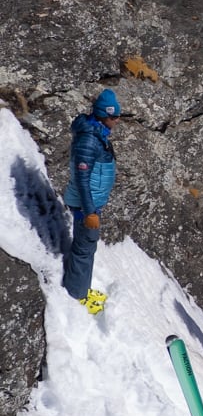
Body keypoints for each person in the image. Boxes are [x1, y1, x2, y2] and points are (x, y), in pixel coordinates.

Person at [62, 89, 120, 311]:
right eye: (114, 117)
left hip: (91, 203)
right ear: (103, 115)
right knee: (84, 247)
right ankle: (76, 295)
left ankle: (80, 287)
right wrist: (89, 213)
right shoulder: (89, 140)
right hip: (86, 205)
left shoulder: (97, 133)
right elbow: (82, 179)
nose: (117, 121)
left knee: (87, 245)